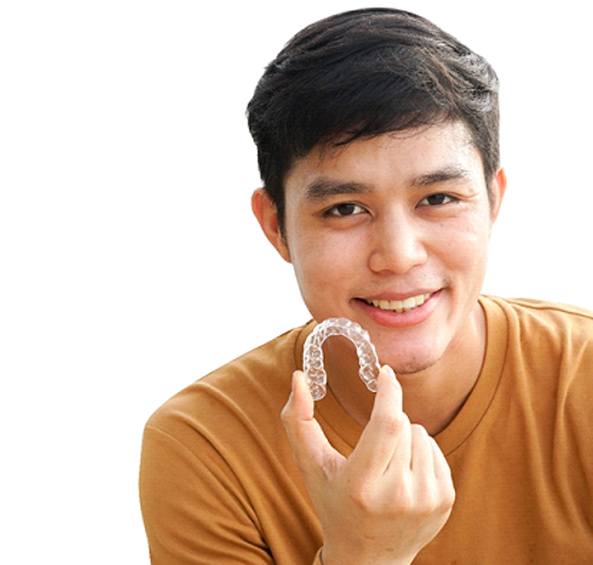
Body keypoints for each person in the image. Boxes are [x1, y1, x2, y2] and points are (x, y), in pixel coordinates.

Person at [139, 8, 593, 564]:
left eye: (439, 199)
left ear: (493, 201)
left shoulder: (583, 382)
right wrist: (363, 555)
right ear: (276, 226)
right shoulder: (205, 446)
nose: (399, 256)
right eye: (345, 209)